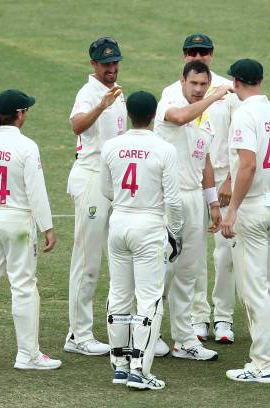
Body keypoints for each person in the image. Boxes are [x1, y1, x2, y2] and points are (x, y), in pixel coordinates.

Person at [0, 89, 61, 370]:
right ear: (19, 114)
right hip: (17, 223)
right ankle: (27, 355)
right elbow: (36, 190)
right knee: (23, 286)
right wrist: (48, 227)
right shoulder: (26, 146)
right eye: (25, 111)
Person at [221, 59, 270, 383]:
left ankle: (263, 364)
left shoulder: (244, 115)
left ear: (236, 82)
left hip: (254, 208)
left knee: (254, 290)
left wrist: (233, 208)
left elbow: (248, 165)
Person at [100, 91, 183, 390]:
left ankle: (120, 364)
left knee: (119, 295)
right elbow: (173, 200)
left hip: (119, 221)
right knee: (149, 299)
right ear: (155, 114)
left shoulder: (111, 147)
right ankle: (139, 370)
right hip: (148, 225)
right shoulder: (164, 149)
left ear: (129, 115)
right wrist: (176, 232)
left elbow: (106, 189)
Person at [162, 33, 239, 344]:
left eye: (204, 51)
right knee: (188, 257)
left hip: (222, 176)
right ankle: (198, 318)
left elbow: (239, 138)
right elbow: (179, 122)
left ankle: (223, 318)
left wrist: (232, 180)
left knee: (225, 255)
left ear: (212, 54)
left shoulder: (227, 90)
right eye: (193, 51)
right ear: (184, 56)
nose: (199, 55)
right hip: (186, 182)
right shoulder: (172, 92)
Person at [154, 60, 229, 361]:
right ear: (183, 82)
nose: (198, 90)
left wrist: (212, 203)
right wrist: (213, 96)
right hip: (166, 200)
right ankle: (150, 333)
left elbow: (206, 163)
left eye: (204, 85)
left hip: (194, 200)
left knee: (188, 271)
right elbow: (182, 116)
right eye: (194, 84)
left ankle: (184, 339)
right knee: (162, 270)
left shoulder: (206, 121)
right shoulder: (168, 105)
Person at [64, 36, 127, 356]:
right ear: (93, 65)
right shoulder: (89, 93)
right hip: (90, 178)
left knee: (116, 257)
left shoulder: (117, 91)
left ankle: (110, 328)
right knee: (87, 261)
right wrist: (101, 105)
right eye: (106, 64)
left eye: (115, 62)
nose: (112, 68)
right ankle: (78, 335)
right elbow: (77, 125)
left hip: (112, 180)